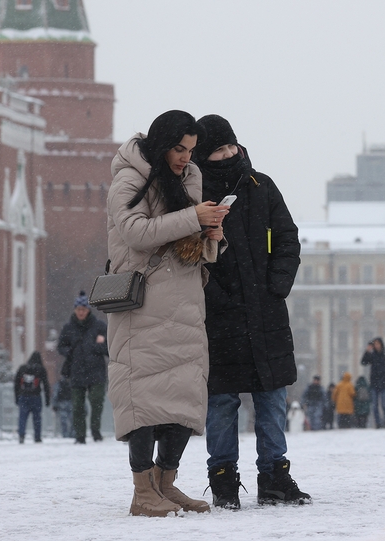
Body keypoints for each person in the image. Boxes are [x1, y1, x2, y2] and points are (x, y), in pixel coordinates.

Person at [106, 109, 227, 517]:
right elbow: (134, 232)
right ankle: (142, 493)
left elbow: (188, 248)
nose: (185, 158)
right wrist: (193, 217)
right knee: (144, 399)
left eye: (191, 150)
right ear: (161, 143)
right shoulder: (130, 177)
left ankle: (164, 484)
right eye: (179, 148)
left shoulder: (188, 179)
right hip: (142, 307)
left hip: (185, 304)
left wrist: (211, 236)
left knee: (184, 396)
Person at [192, 114, 310, 508]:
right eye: (218, 150)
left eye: (230, 146)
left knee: (272, 397)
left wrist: (277, 286)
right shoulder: (195, 198)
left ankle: (275, 475)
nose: (228, 155)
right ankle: (223, 479)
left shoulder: (262, 187)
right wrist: (217, 300)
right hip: (219, 319)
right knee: (222, 402)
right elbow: (191, 258)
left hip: (266, 312)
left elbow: (288, 238)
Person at [57, 291, 108, 443]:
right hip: (77, 371)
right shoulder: (68, 328)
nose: (80, 312)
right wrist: (69, 351)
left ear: (88, 310)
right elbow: (61, 347)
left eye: (83, 309)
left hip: (96, 371)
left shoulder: (99, 326)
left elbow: (109, 347)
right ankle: (80, 435)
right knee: (77, 405)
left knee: (97, 401)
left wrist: (95, 347)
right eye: (78, 309)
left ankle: (95, 431)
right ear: (74, 310)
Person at [14, 351, 50, 444]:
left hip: (23, 396)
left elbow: (16, 384)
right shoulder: (41, 369)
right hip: (36, 396)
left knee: (23, 417)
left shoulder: (22, 368)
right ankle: (37, 436)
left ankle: (21, 435)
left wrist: (17, 397)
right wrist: (47, 399)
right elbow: (46, 385)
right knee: (37, 417)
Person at [360, 337, 385, 429]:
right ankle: (378, 423)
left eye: (378, 344)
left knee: (384, 404)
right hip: (374, 383)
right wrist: (367, 351)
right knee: (374, 405)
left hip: (384, 383)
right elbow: (363, 362)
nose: (377, 346)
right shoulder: (372, 355)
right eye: (375, 344)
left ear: (381, 345)